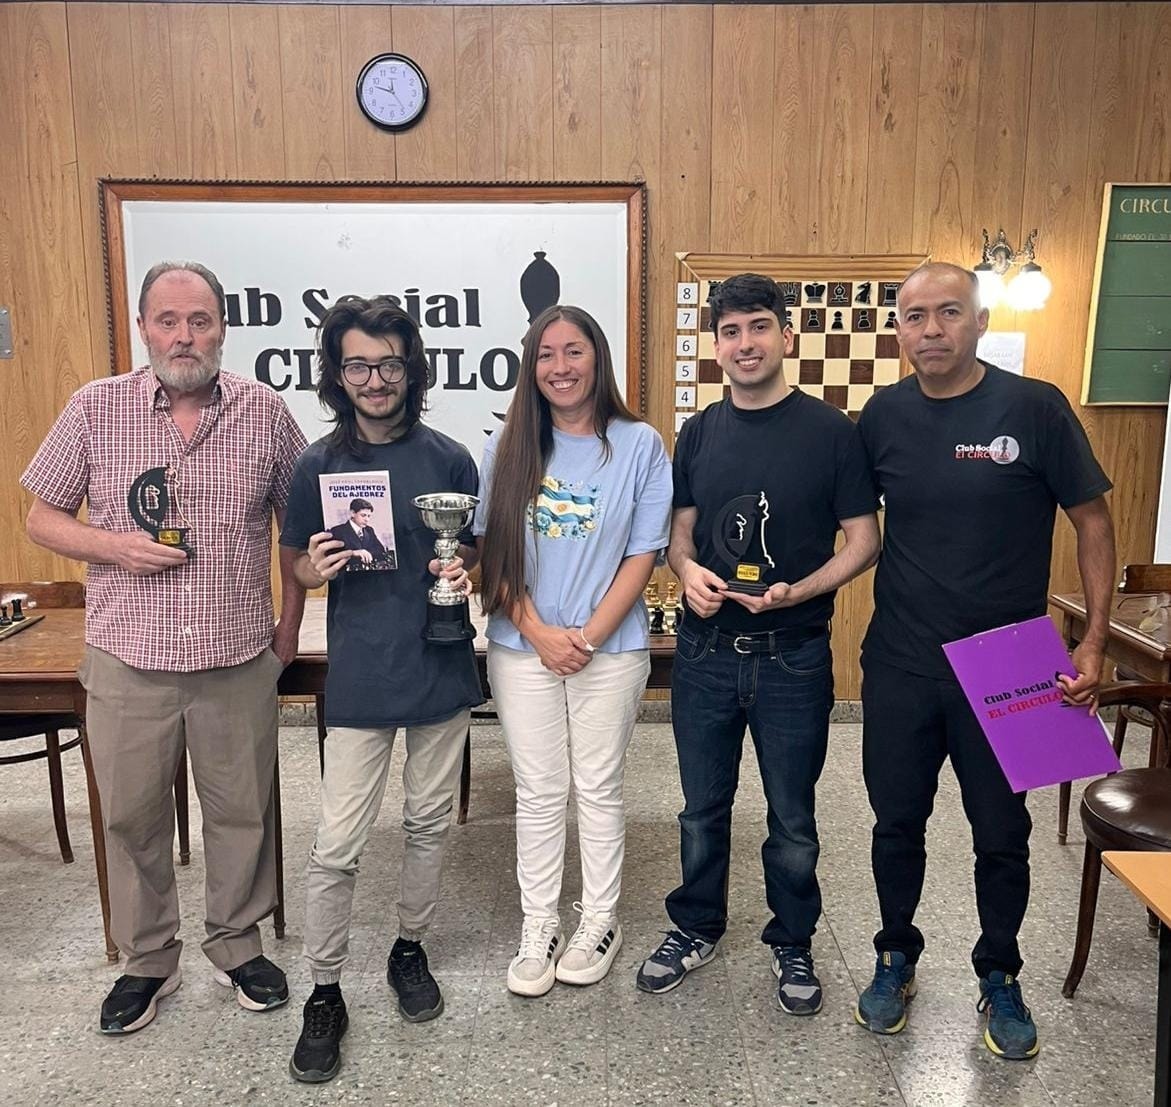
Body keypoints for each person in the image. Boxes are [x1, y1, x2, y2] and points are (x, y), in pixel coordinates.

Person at [22, 260, 307, 1034]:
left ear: (223, 329)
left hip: (235, 658)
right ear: (144, 326)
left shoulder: (264, 412)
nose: (184, 336)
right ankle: (148, 959)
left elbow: (298, 528)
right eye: (169, 320)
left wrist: (287, 629)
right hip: (127, 659)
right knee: (131, 817)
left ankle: (237, 943)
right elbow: (41, 517)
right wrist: (113, 545)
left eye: (200, 321)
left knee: (242, 814)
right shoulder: (95, 407)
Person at [853, 262, 1115, 1059]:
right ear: (898, 329)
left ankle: (999, 970)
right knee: (896, 822)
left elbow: (1093, 521)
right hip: (900, 661)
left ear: (978, 321)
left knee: (1001, 833)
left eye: (947, 312)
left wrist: (1093, 638)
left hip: (1010, 667)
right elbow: (850, 520)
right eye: (913, 316)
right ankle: (894, 954)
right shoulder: (881, 415)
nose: (929, 329)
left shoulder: (1033, 408)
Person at [636, 273, 880, 1016]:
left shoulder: (832, 432)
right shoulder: (698, 432)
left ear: (786, 335)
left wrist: (801, 590)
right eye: (731, 331)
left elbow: (863, 539)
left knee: (791, 818)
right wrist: (687, 573)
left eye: (758, 327)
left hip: (793, 656)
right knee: (700, 809)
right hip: (705, 654)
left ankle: (792, 937)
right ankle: (695, 926)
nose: (745, 344)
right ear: (716, 345)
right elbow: (679, 532)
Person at [280, 295, 482, 1083]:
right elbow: (296, 562)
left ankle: (409, 947)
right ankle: (324, 987)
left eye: (389, 364)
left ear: (411, 369)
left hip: (440, 664)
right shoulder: (316, 465)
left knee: (428, 824)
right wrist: (314, 568)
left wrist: (463, 571)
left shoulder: (451, 459)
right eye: (358, 365)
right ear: (338, 374)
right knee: (337, 842)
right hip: (362, 673)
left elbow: (473, 553)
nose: (374, 379)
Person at [477, 304, 672, 997]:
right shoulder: (507, 447)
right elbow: (493, 551)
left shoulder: (639, 445)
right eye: (546, 354)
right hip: (520, 646)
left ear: (598, 359)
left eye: (574, 351)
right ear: (531, 367)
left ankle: (597, 921)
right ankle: (539, 925)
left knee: (597, 785)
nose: (560, 367)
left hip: (609, 649)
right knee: (537, 790)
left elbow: (642, 555)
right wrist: (536, 631)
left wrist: (586, 637)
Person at [328, 497, 394, 568]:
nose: (367, 519)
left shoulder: (369, 530)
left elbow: (380, 550)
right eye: (363, 515)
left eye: (369, 516)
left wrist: (366, 553)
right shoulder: (337, 531)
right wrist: (353, 553)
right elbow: (333, 556)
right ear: (353, 513)